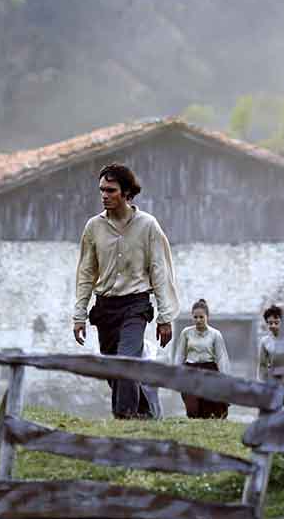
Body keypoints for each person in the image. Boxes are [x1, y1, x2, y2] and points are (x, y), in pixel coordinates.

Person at [73, 163, 180, 420]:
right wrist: (79, 314)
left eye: (111, 190)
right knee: (114, 369)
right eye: (102, 190)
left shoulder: (148, 226)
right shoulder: (93, 228)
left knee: (126, 362)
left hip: (136, 305)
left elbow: (160, 271)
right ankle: (146, 409)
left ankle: (125, 417)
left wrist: (165, 317)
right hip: (105, 307)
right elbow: (86, 273)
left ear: (127, 193)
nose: (104, 195)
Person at [170, 298, 230, 419]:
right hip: (190, 370)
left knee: (209, 408)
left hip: (209, 370)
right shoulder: (186, 333)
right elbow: (180, 354)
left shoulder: (215, 334)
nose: (198, 320)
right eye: (195, 317)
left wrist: (225, 378)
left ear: (207, 317)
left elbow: (221, 357)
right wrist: (176, 373)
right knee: (192, 408)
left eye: (201, 317)